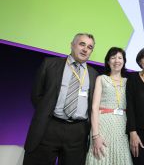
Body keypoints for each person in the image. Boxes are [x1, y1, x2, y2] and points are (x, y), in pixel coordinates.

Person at [23, 33, 98, 165]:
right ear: (72, 45)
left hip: (78, 132)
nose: (85, 49)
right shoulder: (50, 64)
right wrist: (46, 113)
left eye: (90, 47)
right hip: (49, 127)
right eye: (82, 44)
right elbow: (36, 94)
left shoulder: (94, 74)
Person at [86, 47, 133, 165]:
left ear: (124, 61)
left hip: (122, 126)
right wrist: (95, 135)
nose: (117, 61)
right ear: (108, 61)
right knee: (101, 158)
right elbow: (94, 108)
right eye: (113, 58)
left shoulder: (129, 81)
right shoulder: (101, 79)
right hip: (103, 125)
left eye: (120, 58)